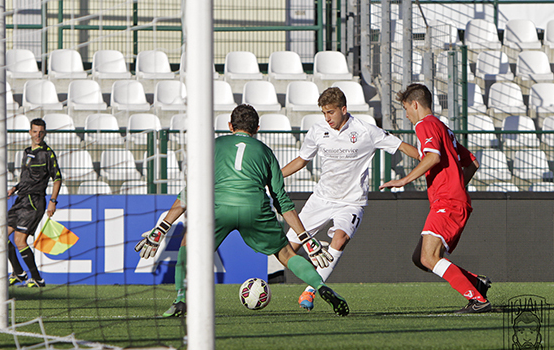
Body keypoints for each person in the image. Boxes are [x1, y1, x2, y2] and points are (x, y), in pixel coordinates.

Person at [135, 104, 350, 317]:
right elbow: (281, 200)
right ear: (257, 128)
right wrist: (305, 238)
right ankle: (320, 286)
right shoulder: (265, 152)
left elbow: (190, 191)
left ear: (230, 125)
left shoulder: (214, 146)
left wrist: (162, 227)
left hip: (219, 208)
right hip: (255, 208)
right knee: (285, 253)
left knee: (187, 243)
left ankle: (182, 298)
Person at [281, 87, 419, 311]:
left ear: (343, 109)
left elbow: (402, 146)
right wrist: (276, 175)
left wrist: (430, 159)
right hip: (321, 199)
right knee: (287, 250)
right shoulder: (317, 131)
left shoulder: (366, 131)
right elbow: (301, 160)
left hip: (351, 202)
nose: (327, 118)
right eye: (324, 113)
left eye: (331, 113)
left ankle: (310, 291)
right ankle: (315, 251)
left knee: (341, 238)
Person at [380, 83, 491, 313]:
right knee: (420, 258)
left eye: (406, 108)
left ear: (415, 104)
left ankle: (478, 300)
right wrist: (457, 186)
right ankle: (475, 283)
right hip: (452, 200)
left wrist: (404, 180)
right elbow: (472, 162)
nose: (407, 115)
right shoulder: (441, 127)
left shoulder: (425, 124)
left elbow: (432, 156)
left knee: (428, 257)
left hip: (447, 202)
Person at [7, 118, 62, 288]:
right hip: (20, 199)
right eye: (35, 131)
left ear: (44, 133)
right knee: (0, 236)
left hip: (34, 201)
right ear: (30, 132)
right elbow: (26, 177)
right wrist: (15, 187)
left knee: (20, 240)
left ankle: (37, 278)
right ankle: (19, 273)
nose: (38, 135)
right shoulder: (26, 152)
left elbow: (57, 178)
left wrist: (53, 201)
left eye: (41, 132)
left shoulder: (47, 153)